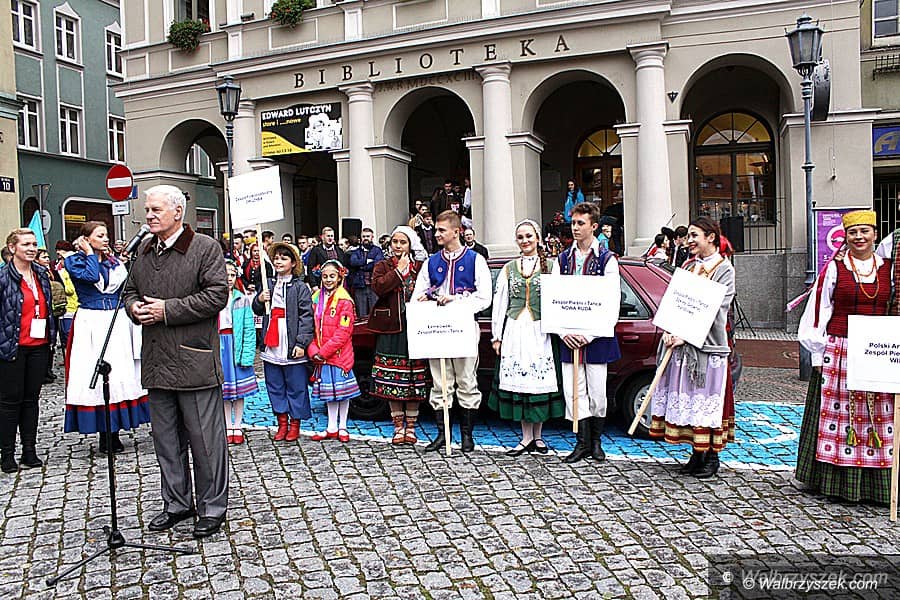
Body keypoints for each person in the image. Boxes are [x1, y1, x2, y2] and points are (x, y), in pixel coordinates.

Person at [123, 184, 230, 539]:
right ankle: (177, 503)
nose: (149, 216)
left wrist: (167, 310)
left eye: (156, 210)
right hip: (157, 360)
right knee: (166, 441)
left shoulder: (204, 248)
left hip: (193, 360)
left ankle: (212, 507)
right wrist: (134, 308)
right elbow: (130, 290)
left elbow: (216, 295)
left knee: (205, 443)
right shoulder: (144, 251)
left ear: (177, 212)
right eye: (147, 210)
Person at [796, 210, 894, 503]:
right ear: (846, 236)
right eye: (853, 232)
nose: (859, 237)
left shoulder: (889, 269)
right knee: (840, 416)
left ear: (875, 234)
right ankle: (834, 482)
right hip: (841, 350)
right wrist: (817, 354)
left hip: (877, 351)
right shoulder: (834, 269)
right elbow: (819, 310)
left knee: (879, 415)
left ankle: (880, 486)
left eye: (865, 231)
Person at [649, 217, 736, 478]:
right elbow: (675, 301)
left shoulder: (724, 269)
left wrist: (686, 336)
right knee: (691, 402)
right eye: (689, 236)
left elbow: (716, 309)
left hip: (708, 347)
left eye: (695, 235)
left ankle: (712, 456)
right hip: (683, 346)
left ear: (711, 237)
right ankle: (696, 453)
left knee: (707, 403)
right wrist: (669, 329)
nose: (690, 241)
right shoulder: (688, 265)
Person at [64, 222, 149, 454]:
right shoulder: (74, 261)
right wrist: (90, 253)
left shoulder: (113, 262)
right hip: (91, 321)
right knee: (93, 372)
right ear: (86, 238)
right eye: (100, 235)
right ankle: (103, 431)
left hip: (116, 320)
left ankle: (115, 430)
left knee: (120, 373)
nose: (106, 239)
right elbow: (91, 276)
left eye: (106, 235)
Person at [412, 210, 492, 453]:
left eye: (441, 230)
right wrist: (426, 299)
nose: (436, 234)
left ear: (456, 232)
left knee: (466, 379)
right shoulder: (431, 262)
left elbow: (484, 297)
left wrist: (456, 301)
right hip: (436, 329)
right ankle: (442, 434)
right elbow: (418, 294)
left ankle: (467, 435)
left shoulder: (475, 260)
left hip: (463, 326)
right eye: (436, 230)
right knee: (440, 382)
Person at [552, 202, 621, 463]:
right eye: (573, 223)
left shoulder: (607, 259)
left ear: (594, 226)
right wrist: (563, 332)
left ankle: (596, 442)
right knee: (574, 392)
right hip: (569, 337)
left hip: (596, 337)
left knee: (597, 392)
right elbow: (554, 300)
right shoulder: (562, 260)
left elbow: (612, 301)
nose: (575, 228)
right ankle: (581, 443)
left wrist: (590, 334)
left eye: (581, 223)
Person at [489, 220, 563, 455]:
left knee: (538, 384)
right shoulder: (509, 268)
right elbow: (500, 303)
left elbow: (558, 300)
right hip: (515, 330)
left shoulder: (552, 266)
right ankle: (525, 437)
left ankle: (538, 437)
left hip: (540, 331)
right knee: (521, 384)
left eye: (529, 236)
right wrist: (496, 336)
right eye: (520, 237)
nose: (525, 241)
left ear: (538, 238)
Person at [368, 226, 430, 444]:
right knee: (392, 379)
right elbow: (378, 287)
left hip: (415, 328)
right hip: (391, 329)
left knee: (413, 380)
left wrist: (428, 296)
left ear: (410, 245)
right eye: (395, 241)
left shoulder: (420, 267)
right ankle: (397, 426)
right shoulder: (383, 266)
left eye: (403, 242)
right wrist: (398, 271)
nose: (398, 246)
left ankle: (411, 426)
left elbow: (431, 288)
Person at [0, 228, 54, 472]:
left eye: (34, 244)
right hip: (12, 346)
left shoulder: (41, 274)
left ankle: (29, 450)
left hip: (38, 346)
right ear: (13, 248)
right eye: (26, 244)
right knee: (10, 402)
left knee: (32, 400)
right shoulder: (3, 277)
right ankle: (7, 454)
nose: (32, 249)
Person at [254, 242, 314, 443]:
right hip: (271, 339)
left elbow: (306, 317)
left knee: (296, 385)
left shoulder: (300, 288)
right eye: (276, 258)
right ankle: (282, 423)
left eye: (284, 258)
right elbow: (257, 309)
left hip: (290, 340)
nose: (279, 261)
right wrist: (259, 299)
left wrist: (301, 343)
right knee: (275, 384)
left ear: (293, 263)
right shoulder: (268, 284)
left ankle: (295, 423)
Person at [308, 260, 360, 443]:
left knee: (342, 393)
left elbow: (343, 331)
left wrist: (323, 352)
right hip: (322, 355)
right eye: (325, 276)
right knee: (330, 393)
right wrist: (313, 349)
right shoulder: (316, 299)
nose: (328, 280)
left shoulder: (345, 300)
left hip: (339, 355)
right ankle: (331, 426)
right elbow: (311, 327)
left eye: (332, 276)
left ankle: (343, 426)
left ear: (339, 277)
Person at [220, 261, 258, 445]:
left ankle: (238, 424)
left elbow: (249, 329)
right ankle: (228, 425)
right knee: (225, 390)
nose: (228, 278)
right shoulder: (213, 298)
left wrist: (247, 354)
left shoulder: (241, 299)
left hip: (237, 344)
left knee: (239, 390)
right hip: (220, 344)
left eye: (232, 275)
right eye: (225, 274)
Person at [348, 227, 384, 318]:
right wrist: (366, 261)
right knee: (361, 314)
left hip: (374, 286)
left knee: (375, 313)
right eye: (364, 236)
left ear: (372, 237)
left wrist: (361, 265)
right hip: (360, 286)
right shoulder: (356, 251)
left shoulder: (377, 250)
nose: (366, 238)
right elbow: (353, 262)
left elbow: (377, 264)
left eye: (368, 236)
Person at [54, 241, 79, 357]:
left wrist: (60, 284)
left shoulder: (68, 271)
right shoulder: (59, 269)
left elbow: (70, 289)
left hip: (72, 307)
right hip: (66, 307)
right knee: (66, 335)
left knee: (70, 336)